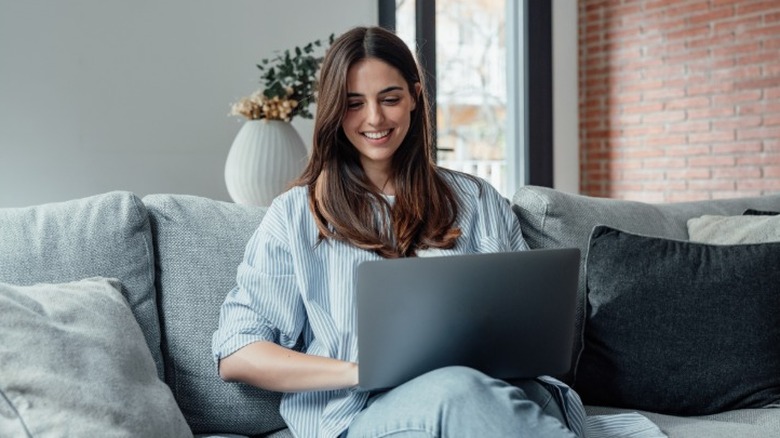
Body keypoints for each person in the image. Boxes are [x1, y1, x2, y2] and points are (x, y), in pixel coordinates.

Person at [212, 26, 581, 438]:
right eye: (354, 104)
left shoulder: (476, 200)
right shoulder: (296, 215)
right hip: (363, 413)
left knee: (512, 395)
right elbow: (239, 353)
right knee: (457, 390)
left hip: (493, 394)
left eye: (390, 98)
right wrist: (360, 371)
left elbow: (528, 326)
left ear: (415, 97)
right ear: (334, 110)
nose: (375, 118)